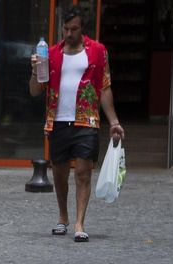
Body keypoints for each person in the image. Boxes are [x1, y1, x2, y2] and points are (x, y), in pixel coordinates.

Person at [28, 5, 123, 241]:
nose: (69, 33)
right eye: (66, 28)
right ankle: (63, 217)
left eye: (74, 29)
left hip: (87, 121)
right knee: (59, 174)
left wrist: (114, 121)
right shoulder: (51, 54)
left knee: (82, 173)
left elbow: (104, 88)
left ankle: (80, 223)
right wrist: (35, 71)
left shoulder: (98, 52)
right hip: (58, 121)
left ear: (82, 28)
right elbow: (35, 92)